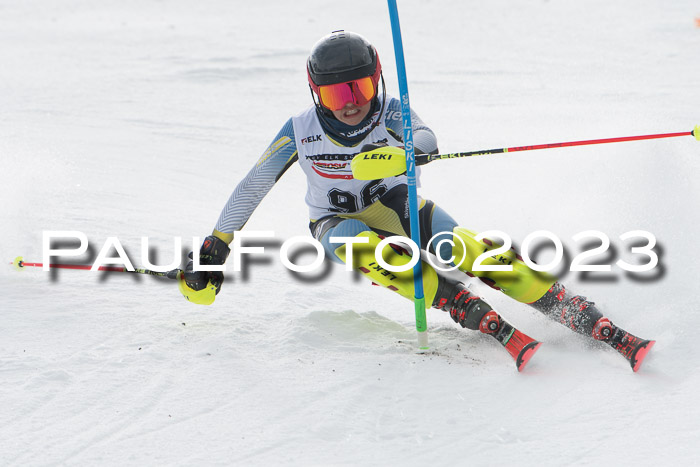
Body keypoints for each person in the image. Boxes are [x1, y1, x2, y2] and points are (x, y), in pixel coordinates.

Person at [179, 30, 654, 371]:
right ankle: (463, 305)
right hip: (335, 222)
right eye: (336, 92)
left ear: (376, 81)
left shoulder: (390, 110)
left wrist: (395, 153)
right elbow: (253, 184)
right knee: (370, 248)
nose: (350, 102)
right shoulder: (299, 130)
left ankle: (572, 310)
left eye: (360, 87)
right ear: (316, 92)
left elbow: (427, 141)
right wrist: (218, 242)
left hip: (395, 200)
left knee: (466, 249)